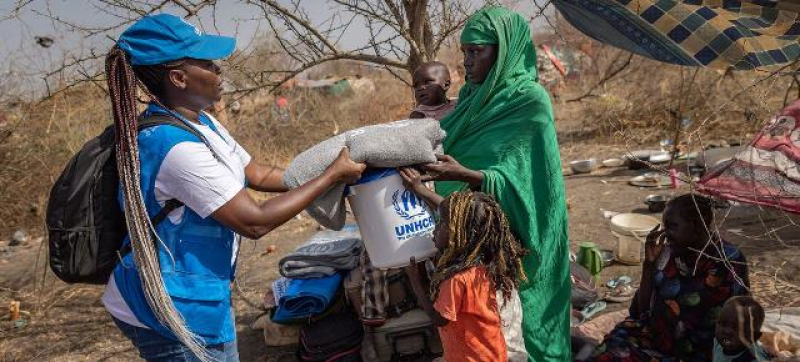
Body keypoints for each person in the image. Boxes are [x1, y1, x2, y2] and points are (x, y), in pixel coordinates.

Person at [102, 14, 365, 361]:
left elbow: (255, 172)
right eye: (208, 64)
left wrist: (326, 171)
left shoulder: (201, 122)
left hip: (199, 293)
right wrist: (330, 177)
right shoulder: (174, 147)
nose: (219, 71)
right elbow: (253, 220)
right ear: (179, 78)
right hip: (170, 303)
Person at [404, 6, 572, 360]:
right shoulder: (469, 98)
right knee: (478, 320)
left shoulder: (529, 101)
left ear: (504, 49)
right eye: (464, 52)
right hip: (468, 233)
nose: (466, 62)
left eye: (476, 51)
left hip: (519, 233)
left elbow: (533, 182)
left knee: (521, 319)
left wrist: (466, 175)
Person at [586, 194, 750, 362]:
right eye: (665, 227)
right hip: (655, 339)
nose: (665, 234)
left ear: (697, 225)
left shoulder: (727, 261)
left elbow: (736, 327)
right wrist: (649, 265)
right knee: (604, 353)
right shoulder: (668, 253)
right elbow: (639, 311)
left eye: (672, 226)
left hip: (699, 352)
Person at [402, 191, 527, 362]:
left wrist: (416, 281)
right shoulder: (487, 269)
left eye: (443, 223)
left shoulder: (456, 279)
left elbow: (439, 319)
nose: (436, 228)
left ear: (460, 234)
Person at [714, 296, 771, 362]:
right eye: (723, 324)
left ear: (754, 337)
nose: (727, 331)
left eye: (737, 328)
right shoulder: (718, 343)